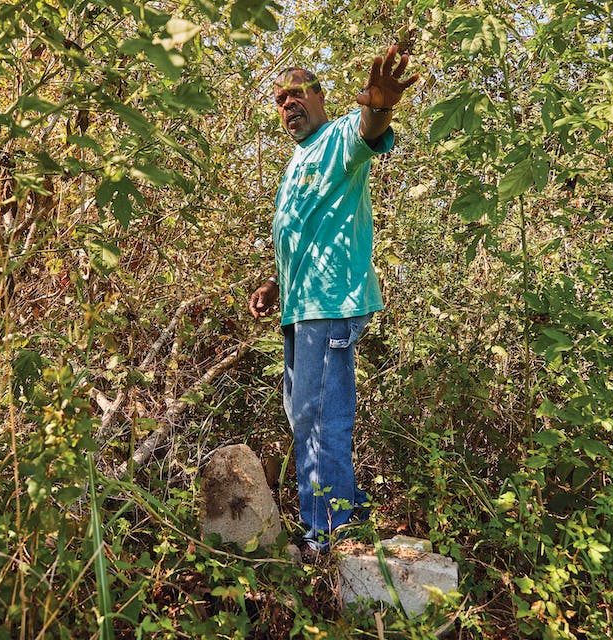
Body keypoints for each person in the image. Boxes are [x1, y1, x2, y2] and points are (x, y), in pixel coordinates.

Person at [248, 44, 419, 553]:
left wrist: (381, 106)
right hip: (301, 308)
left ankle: (326, 535)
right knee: (307, 416)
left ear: (320, 97)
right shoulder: (297, 161)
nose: (288, 105)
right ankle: (348, 514)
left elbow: (368, 130)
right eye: (280, 99)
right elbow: (303, 231)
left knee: (319, 417)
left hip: (331, 304)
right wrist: (276, 283)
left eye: (297, 93)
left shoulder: (337, 137)